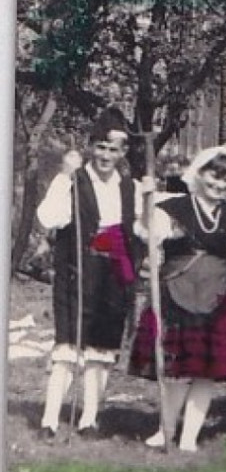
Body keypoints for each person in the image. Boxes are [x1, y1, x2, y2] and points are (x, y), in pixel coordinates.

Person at [129, 146, 226, 452]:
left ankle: (188, 439)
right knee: (178, 372)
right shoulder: (171, 208)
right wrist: (148, 206)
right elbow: (147, 231)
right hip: (178, 296)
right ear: (198, 175)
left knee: (207, 372)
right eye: (215, 175)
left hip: (218, 299)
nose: (220, 184)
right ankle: (166, 429)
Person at [35, 107, 142, 439]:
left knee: (102, 347)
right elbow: (49, 219)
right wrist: (65, 176)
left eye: (114, 149)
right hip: (78, 269)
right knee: (69, 345)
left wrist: (151, 202)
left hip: (115, 272)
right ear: (90, 146)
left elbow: (140, 229)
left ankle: (89, 418)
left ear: (123, 153)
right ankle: (50, 420)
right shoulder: (74, 181)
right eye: (100, 147)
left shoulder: (130, 187)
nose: (106, 155)